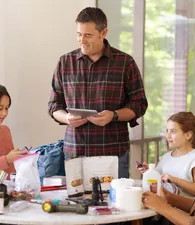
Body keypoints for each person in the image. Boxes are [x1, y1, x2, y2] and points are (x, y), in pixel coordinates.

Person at [48, 7, 148, 178]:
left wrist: (113, 115)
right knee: (77, 203)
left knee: (115, 204)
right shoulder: (65, 63)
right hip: (75, 152)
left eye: (88, 35)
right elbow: (54, 106)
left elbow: (139, 104)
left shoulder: (125, 63)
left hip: (113, 153)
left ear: (104, 33)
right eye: (79, 34)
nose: (82, 40)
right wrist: (67, 119)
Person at [138, 112, 195, 197]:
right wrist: (150, 171)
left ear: (188, 135)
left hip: (183, 208)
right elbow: (159, 180)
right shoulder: (166, 158)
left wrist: (175, 180)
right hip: (163, 204)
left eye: (173, 132)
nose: (168, 136)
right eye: (167, 131)